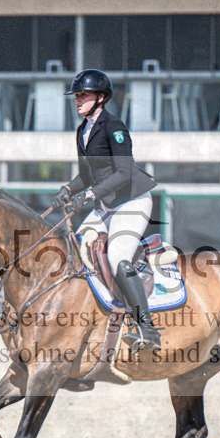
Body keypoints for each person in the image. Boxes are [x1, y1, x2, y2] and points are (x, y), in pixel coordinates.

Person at [52, 68, 161, 353]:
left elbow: (123, 173)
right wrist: (69, 189)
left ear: (101, 97)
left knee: (117, 256)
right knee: (73, 248)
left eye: (83, 95)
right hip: (106, 204)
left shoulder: (114, 127)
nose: (78, 100)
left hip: (131, 201)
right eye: (76, 96)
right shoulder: (83, 130)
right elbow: (87, 176)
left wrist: (87, 195)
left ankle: (146, 326)